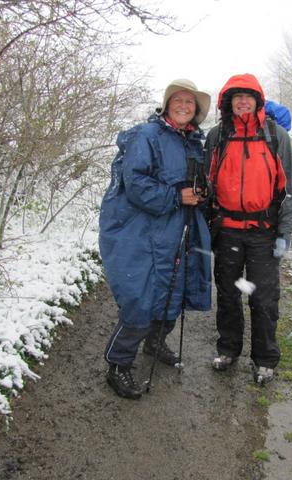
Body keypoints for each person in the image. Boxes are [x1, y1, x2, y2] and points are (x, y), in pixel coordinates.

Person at [99, 79, 213, 399]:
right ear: (166, 104)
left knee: (174, 291)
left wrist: (200, 193)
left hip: (178, 228)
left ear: (197, 112)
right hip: (141, 229)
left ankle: (154, 342)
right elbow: (135, 184)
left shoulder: (192, 141)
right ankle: (118, 364)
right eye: (177, 100)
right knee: (142, 298)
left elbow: (193, 183)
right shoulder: (147, 136)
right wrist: (179, 196)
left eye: (190, 103)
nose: (183, 106)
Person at [204, 73, 292, 385]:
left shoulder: (276, 135)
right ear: (228, 103)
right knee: (229, 295)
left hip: (263, 231)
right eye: (236, 96)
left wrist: (284, 233)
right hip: (227, 230)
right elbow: (207, 186)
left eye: (248, 96)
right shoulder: (218, 136)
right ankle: (228, 350)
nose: (242, 101)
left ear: (258, 101)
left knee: (263, 299)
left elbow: (289, 192)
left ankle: (265, 359)